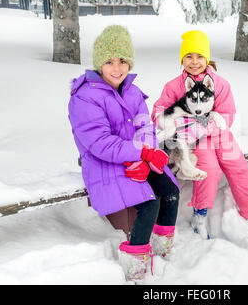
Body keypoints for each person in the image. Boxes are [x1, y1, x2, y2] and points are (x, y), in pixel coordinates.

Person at [68, 25, 179, 282]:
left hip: (136, 156)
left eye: (122, 61)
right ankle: (135, 268)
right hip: (103, 162)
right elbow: (101, 142)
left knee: (170, 191)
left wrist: (148, 152)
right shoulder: (85, 97)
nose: (117, 68)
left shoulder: (132, 91)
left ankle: (163, 253)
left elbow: (145, 127)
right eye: (109, 61)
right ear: (99, 64)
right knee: (149, 204)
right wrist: (141, 154)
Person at [151, 30, 248, 243]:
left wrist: (205, 126)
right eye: (189, 56)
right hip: (194, 139)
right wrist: (183, 125)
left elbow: (228, 115)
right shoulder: (174, 86)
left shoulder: (220, 83)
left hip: (218, 133)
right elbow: (158, 114)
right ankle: (200, 214)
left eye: (199, 56)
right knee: (209, 169)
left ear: (207, 58)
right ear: (182, 59)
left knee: (238, 167)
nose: (194, 62)